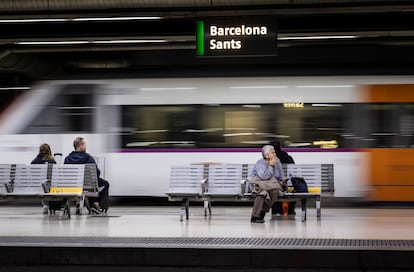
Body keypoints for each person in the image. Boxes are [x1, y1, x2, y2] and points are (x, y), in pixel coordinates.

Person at [64, 137, 110, 214]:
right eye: (84, 144)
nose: (86, 146)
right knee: (104, 184)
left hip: (72, 185)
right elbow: (96, 173)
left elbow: (65, 174)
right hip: (88, 184)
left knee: (92, 183)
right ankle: (98, 205)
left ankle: (79, 203)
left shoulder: (67, 158)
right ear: (80, 146)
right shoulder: (88, 158)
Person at [247, 145, 287, 223]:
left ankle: (262, 213)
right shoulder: (260, 163)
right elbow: (264, 177)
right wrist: (271, 165)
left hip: (271, 184)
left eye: (274, 152)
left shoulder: (277, 161)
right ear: (266, 155)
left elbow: (281, 175)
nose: (275, 154)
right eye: (272, 152)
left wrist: (283, 180)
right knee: (262, 193)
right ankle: (255, 216)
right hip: (259, 184)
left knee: (275, 191)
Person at [271, 140, 296, 215]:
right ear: (280, 147)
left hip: (275, 183)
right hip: (288, 183)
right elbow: (293, 171)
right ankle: (291, 210)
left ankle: (275, 210)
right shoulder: (288, 157)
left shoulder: (270, 158)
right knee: (290, 188)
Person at [31, 143, 57, 214]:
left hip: (39, 184)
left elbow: (32, 174)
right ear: (49, 151)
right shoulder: (52, 161)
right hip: (50, 185)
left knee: (43, 187)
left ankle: (45, 205)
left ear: (40, 151)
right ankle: (50, 206)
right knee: (48, 186)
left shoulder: (35, 161)